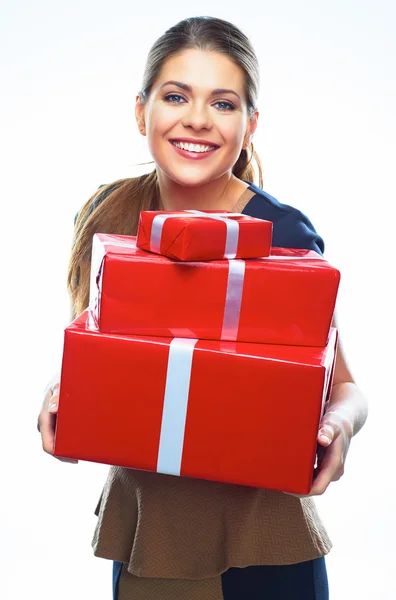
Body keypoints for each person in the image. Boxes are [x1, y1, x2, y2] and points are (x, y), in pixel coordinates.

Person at [37, 15, 368, 600]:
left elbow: (344, 387)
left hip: (262, 540)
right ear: (141, 111)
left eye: (223, 103)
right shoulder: (107, 217)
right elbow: (102, 352)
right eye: (175, 96)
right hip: (149, 532)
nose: (196, 119)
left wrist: (337, 428)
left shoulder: (281, 232)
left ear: (250, 124)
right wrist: (61, 401)